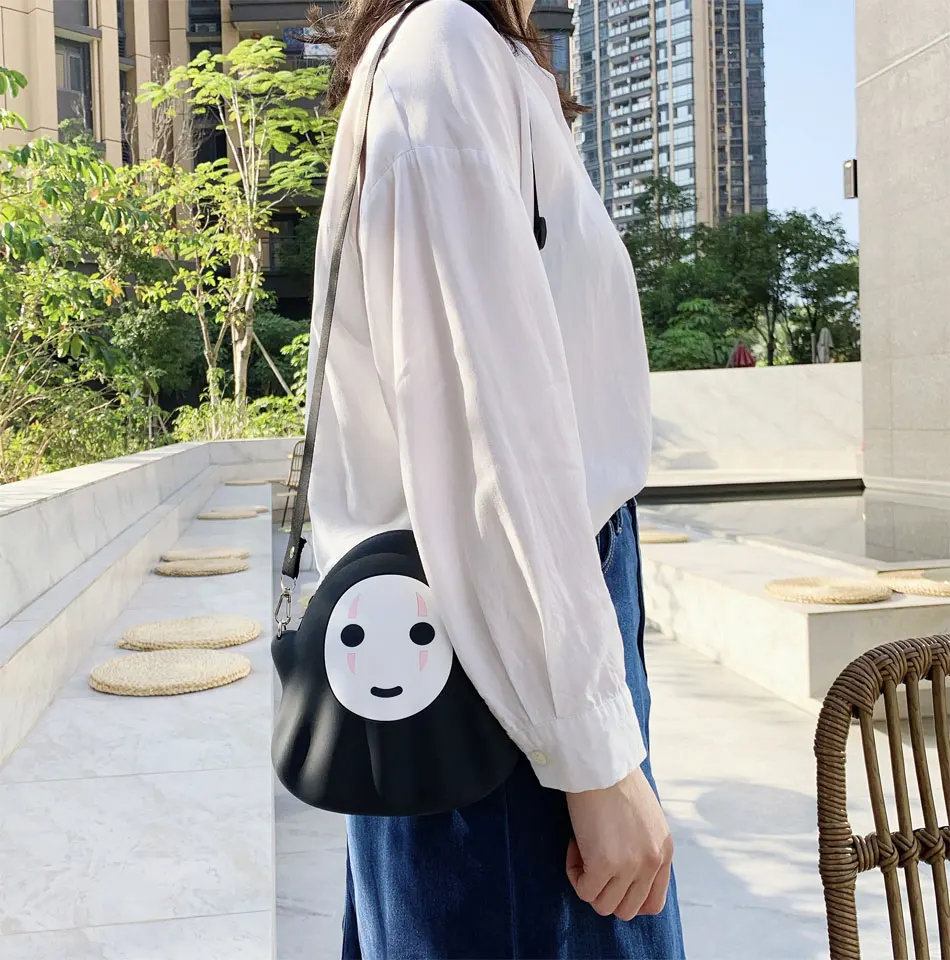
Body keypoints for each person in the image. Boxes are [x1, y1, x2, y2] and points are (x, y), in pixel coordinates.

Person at [304, 0, 686, 956]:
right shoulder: (444, 54)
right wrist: (594, 757)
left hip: (501, 643)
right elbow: (487, 443)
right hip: (496, 662)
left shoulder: (481, 60)